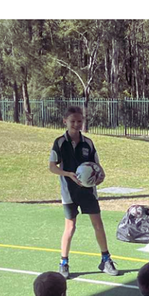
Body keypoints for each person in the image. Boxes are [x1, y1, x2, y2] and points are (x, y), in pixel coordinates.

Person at [49, 106, 119, 279]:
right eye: (72, 121)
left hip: (88, 192)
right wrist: (68, 174)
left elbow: (97, 166)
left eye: (79, 121)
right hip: (69, 192)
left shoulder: (88, 143)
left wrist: (100, 176)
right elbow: (52, 167)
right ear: (65, 121)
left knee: (98, 224)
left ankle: (106, 260)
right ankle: (63, 263)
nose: (76, 124)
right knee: (70, 227)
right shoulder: (60, 142)